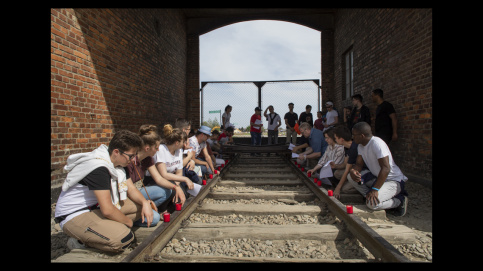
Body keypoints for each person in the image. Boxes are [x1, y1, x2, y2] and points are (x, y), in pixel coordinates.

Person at [54, 130, 152, 252]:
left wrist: (145, 203)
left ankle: (106, 229)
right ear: (116, 152)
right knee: (125, 239)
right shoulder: (99, 168)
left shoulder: (120, 165)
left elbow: (131, 189)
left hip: (95, 207)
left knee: (139, 208)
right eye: (131, 156)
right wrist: (128, 223)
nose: (132, 160)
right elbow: (107, 209)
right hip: (74, 214)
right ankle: (79, 242)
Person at [348, 122, 408, 216]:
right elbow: (359, 164)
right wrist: (353, 171)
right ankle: (369, 196)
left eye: (354, 135)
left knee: (372, 205)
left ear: (362, 135)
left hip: (393, 181)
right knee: (350, 177)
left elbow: (386, 168)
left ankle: (399, 201)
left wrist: (375, 189)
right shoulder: (361, 146)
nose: (352, 137)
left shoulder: (377, 143)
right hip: (378, 178)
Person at [125, 125, 175, 223]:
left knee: (168, 191)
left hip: (138, 191)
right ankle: (138, 214)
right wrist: (144, 202)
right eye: (156, 147)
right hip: (128, 195)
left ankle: (146, 210)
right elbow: (129, 190)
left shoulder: (147, 158)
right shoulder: (129, 161)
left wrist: (175, 187)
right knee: (155, 219)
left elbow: (159, 179)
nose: (158, 150)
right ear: (147, 148)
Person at [148, 124, 195, 205]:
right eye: (183, 142)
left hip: (172, 180)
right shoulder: (162, 150)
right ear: (177, 142)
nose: (184, 144)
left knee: (184, 195)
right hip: (155, 180)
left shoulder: (179, 151)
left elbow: (179, 172)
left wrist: (176, 186)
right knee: (177, 196)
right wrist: (185, 179)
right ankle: (161, 210)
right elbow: (164, 174)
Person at [331, 124, 364, 198]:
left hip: (360, 173)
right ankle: (349, 183)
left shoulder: (353, 148)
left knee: (345, 189)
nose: (335, 140)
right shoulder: (346, 147)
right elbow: (345, 164)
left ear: (341, 139)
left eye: (336, 138)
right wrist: (336, 166)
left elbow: (347, 169)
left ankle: (361, 188)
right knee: (337, 173)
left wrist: (338, 188)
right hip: (352, 171)